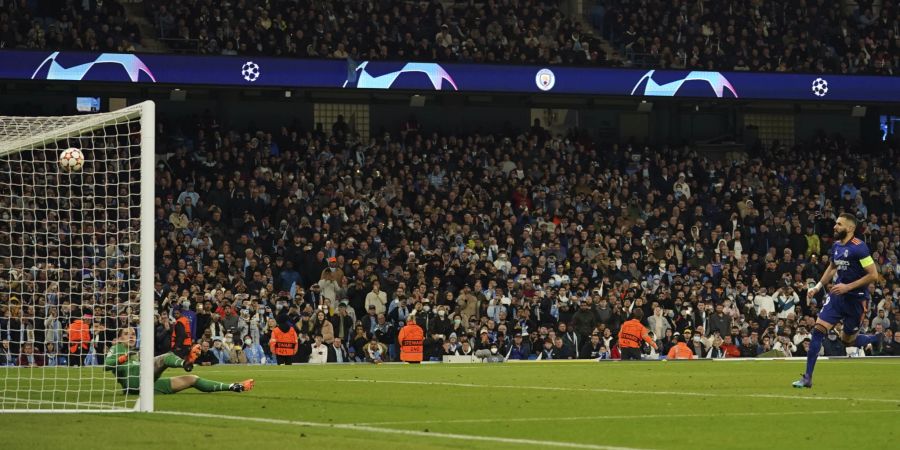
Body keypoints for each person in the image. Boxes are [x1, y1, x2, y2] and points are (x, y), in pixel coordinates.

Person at [794, 214, 881, 388]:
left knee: (848, 341)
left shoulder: (860, 248)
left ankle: (874, 338)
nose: (835, 227)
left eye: (839, 224)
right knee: (818, 330)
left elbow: (873, 275)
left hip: (856, 301)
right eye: (835, 223)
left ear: (850, 228)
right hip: (836, 297)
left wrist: (848, 287)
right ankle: (807, 377)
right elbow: (833, 267)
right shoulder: (835, 246)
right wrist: (817, 287)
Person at [105, 327, 253, 395]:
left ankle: (233, 386)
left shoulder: (135, 352)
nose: (131, 336)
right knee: (164, 357)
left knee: (192, 379)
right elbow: (106, 366)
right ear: (119, 338)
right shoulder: (117, 348)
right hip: (134, 382)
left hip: (147, 385)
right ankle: (185, 362)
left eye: (133, 334)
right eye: (126, 334)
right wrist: (123, 358)